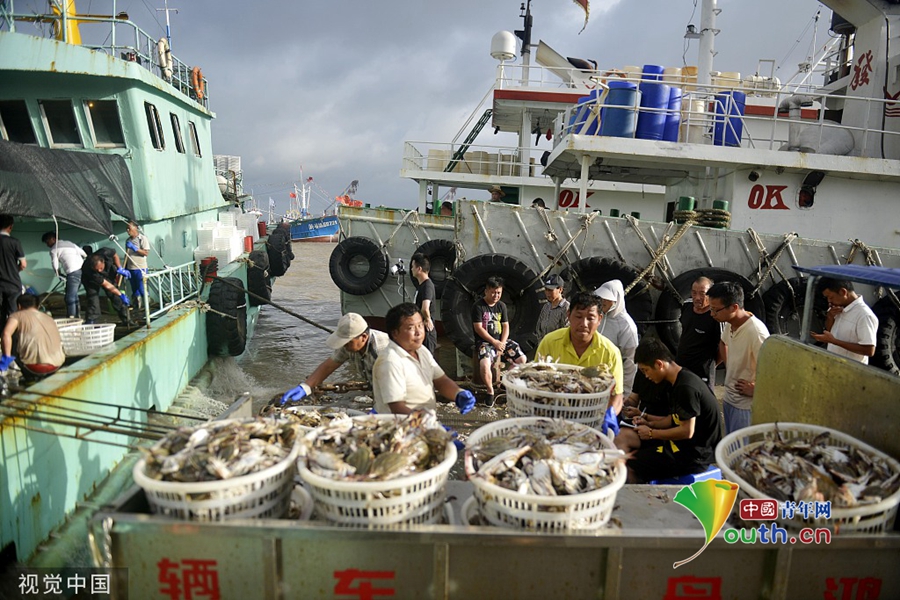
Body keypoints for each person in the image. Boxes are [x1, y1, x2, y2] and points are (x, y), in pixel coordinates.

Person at [615, 339, 722, 484]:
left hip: (693, 455)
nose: (646, 376)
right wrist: (647, 419)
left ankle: (637, 497)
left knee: (629, 462)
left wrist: (652, 433)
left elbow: (686, 431)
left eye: (646, 370)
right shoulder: (678, 380)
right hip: (679, 443)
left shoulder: (686, 387)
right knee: (622, 436)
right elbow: (674, 419)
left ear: (659, 364)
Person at [372, 303, 475, 415]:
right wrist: (428, 424)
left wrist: (458, 394)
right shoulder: (390, 361)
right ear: (395, 333)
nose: (419, 333)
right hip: (401, 428)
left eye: (420, 325)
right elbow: (397, 408)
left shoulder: (421, 350)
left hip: (422, 425)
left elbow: (441, 381)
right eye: (411, 328)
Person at [535, 291, 625, 417]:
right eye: (578, 316)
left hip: (592, 415)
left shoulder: (610, 352)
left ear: (599, 319)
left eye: (590, 318)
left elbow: (617, 395)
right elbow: (535, 381)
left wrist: (609, 416)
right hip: (552, 412)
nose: (584, 324)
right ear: (568, 316)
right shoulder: (549, 342)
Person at [282, 313, 390, 402]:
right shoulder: (349, 346)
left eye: (348, 342)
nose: (345, 345)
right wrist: (305, 387)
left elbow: (396, 383)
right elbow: (328, 366)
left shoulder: (383, 350)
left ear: (364, 337)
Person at [707, 281, 769, 434]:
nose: (712, 314)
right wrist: (731, 366)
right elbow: (723, 343)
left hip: (746, 406)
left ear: (734, 307)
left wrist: (756, 389)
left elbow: (775, 370)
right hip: (730, 398)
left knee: (742, 453)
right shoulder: (730, 322)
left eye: (716, 310)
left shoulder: (756, 332)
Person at [472, 276, 527, 405]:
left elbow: (506, 326)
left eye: (499, 293)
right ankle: (490, 390)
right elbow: (478, 328)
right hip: (485, 342)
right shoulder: (478, 306)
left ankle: (506, 382)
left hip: (501, 340)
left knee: (522, 360)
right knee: (485, 365)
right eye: (493, 292)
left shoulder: (501, 306)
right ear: (486, 291)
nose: (496, 295)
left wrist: (502, 342)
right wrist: (494, 342)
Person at [810, 277, 878, 364]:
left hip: (851, 370)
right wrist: (830, 317)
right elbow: (830, 330)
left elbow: (869, 350)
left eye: (830, 297)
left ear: (843, 292)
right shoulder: (836, 308)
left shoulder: (864, 315)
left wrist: (834, 341)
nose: (829, 301)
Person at [1, 293, 65, 380]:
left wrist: (6, 358)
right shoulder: (49, 318)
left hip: (33, 366)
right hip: (57, 364)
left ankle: (24, 375)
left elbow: (6, 334)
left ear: (19, 306)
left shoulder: (16, 315)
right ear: (38, 306)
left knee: (12, 336)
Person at [675, 276, 723, 391]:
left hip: (703, 371)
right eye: (694, 293)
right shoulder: (687, 306)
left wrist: (711, 365)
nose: (697, 298)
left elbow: (724, 345)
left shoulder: (716, 316)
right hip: (682, 365)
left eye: (702, 294)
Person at [594, 280, 639, 397]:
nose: (603, 301)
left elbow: (630, 361)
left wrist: (625, 393)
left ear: (616, 300)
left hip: (612, 382)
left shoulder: (626, 325)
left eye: (607, 298)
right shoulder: (597, 316)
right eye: (601, 297)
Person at [42, 232, 87, 319]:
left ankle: (72, 317)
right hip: (83, 270)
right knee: (74, 294)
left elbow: (55, 264)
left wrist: (58, 273)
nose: (47, 244)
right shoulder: (70, 243)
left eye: (47, 241)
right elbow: (84, 254)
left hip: (73, 272)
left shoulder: (54, 249)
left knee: (69, 297)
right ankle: (77, 315)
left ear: (53, 239)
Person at [82, 252, 131, 326]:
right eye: (97, 269)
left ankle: (126, 319)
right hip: (89, 280)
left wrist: (120, 268)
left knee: (116, 297)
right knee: (93, 299)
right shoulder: (92, 272)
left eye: (100, 268)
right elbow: (107, 285)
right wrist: (121, 294)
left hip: (108, 274)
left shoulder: (105, 252)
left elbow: (114, 254)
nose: (99, 270)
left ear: (103, 261)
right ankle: (90, 322)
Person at [0, 214, 25, 332]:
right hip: (12, 283)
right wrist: (16, 270)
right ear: (10, 227)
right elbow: (23, 264)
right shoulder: (15, 242)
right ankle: (12, 338)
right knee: (13, 313)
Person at [410, 253, 437, 354]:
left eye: (413, 266)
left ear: (419, 269)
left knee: (427, 361)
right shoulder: (421, 286)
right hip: (420, 331)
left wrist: (427, 319)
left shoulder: (427, 286)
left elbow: (425, 308)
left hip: (427, 332)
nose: (412, 269)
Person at [123, 221, 150, 310]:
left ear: (135, 228)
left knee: (142, 289)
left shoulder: (142, 238)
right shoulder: (128, 240)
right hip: (131, 268)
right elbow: (126, 255)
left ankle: (148, 309)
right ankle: (137, 308)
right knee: (135, 290)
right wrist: (125, 268)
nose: (127, 230)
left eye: (129, 228)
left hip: (140, 268)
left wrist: (134, 248)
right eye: (127, 229)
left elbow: (146, 253)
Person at [535, 274, 569, 340]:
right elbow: (538, 328)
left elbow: (565, 331)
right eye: (546, 289)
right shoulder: (546, 306)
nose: (547, 293)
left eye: (550, 290)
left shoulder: (565, 307)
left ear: (560, 289)